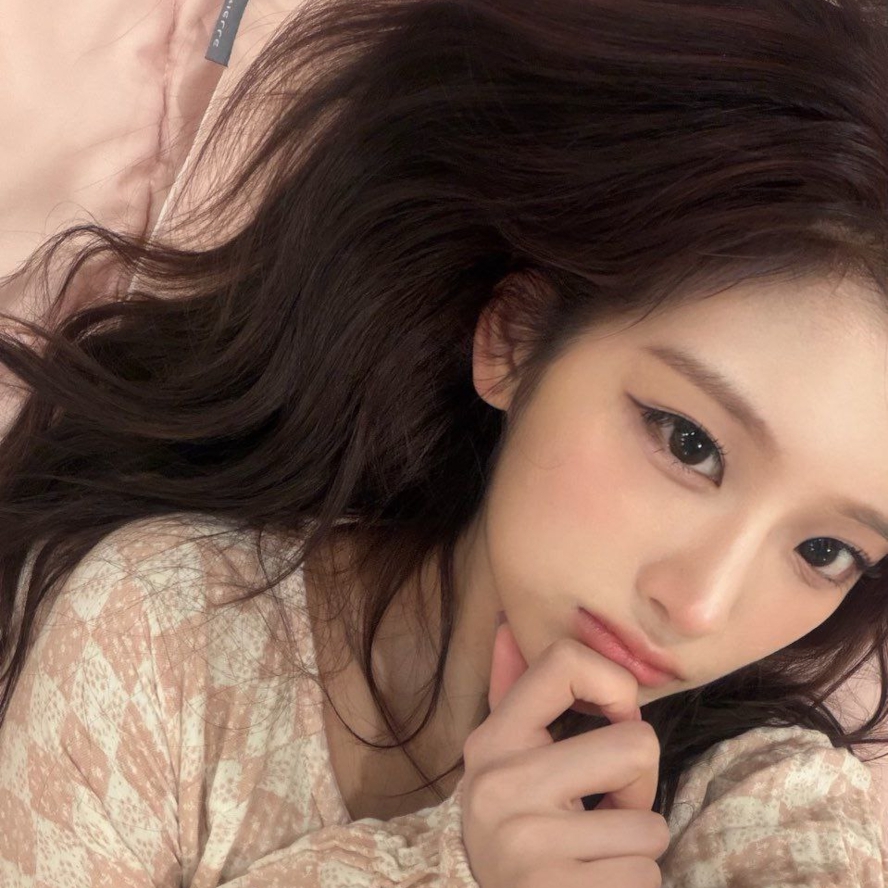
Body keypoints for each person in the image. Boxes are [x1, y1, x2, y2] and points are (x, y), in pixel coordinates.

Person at [0, 0, 886, 884]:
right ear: (515, 338)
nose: (700, 607)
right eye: (689, 443)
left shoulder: (765, 801)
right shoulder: (164, 635)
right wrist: (455, 866)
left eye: (825, 550)